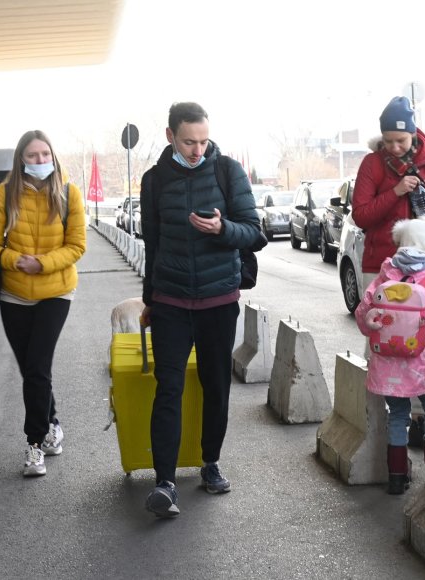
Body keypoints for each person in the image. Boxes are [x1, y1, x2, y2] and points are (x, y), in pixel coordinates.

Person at [139, 102, 263, 517]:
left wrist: (222, 229)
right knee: (168, 388)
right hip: (171, 301)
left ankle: (210, 464)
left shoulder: (228, 171)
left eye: (203, 140)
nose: (197, 149)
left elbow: (254, 232)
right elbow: (152, 245)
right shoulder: (154, 181)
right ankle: (165, 483)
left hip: (218, 301)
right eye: (189, 141)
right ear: (171, 135)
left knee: (216, 385)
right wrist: (149, 300)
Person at [0, 130, 87, 477]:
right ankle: (53, 421)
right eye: (32, 155)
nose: (40, 161)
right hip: (14, 294)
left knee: (38, 367)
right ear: (21, 159)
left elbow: (77, 246)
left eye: (45, 155)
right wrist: (15, 261)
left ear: (53, 157)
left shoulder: (69, 194)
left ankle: (35, 444)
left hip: (56, 291)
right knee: (31, 370)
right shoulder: (4, 194)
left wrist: (42, 263)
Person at [354, 212, 425, 495]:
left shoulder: (385, 276)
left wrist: (369, 324)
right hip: (422, 367)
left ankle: (396, 477)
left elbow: (362, 315)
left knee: (397, 415)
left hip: (386, 368)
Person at [351, 96, 425, 292]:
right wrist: (395, 192)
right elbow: (361, 216)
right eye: (388, 141)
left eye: (401, 140)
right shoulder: (372, 164)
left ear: (412, 134)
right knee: (381, 321)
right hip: (382, 263)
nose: (394, 147)